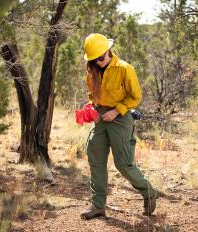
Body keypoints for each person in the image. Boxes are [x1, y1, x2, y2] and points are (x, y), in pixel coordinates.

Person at [80, 33, 159, 220]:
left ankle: (149, 192)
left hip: (120, 118)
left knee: (123, 164)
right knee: (95, 158)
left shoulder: (125, 69)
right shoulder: (92, 72)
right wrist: (91, 108)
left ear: (108, 51)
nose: (98, 62)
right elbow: (93, 96)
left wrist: (116, 111)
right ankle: (98, 206)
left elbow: (135, 97)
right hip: (100, 118)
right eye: (94, 59)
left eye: (101, 57)